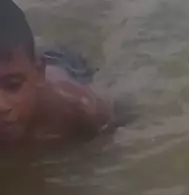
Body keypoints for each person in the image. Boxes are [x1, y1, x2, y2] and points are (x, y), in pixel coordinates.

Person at [0, 0, 112, 147]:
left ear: (39, 73)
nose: (1, 105)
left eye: (13, 86)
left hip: (63, 64)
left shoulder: (77, 109)